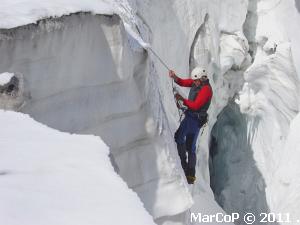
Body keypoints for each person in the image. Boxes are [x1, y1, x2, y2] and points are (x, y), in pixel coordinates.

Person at [169, 67, 213, 184]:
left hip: (194, 119)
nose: (193, 83)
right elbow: (184, 82)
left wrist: (182, 99)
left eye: (195, 81)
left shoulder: (206, 90)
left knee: (179, 138)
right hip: (193, 119)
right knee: (190, 146)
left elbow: (196, 105)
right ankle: (190, 174)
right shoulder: (197, 83)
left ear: (201, 79)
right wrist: (175, 77)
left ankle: (183, 166)